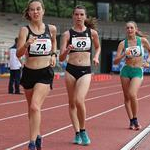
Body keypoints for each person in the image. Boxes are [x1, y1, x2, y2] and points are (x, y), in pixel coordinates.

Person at [16, 0, 57, 149]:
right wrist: (26, 44)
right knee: (31, 109)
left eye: (38, 9)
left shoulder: (51, 28)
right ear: (29, 13)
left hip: (44, 73)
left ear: (43, 11)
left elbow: (54, 43)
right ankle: (38, 134)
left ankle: (32, 143)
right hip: (28, 73)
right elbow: (18, 54)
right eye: (32, 10)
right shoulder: (24, 30)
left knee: (34, 106)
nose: (35, 12)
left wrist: (53, 55)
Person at [59, 5, 101, 146]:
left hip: (85, 70)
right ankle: (76, 132)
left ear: (85, 16)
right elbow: (60, 57)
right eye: (76, 14)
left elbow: (98, 46)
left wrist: (96, 56)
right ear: (73, 16)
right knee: (71, 103)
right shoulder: (67, 34)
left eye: (81, 14)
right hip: (71, 70)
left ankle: (83, 130)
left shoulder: (92, 33)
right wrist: (67, 50)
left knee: (79, 100)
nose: (78, 17)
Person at [114, 21, 150, 130]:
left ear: (135, 29)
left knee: (132, 94)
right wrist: (124, 54)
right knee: (127, 97)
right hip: (125, 71)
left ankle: (135, 119)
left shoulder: (142, 41)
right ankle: (131, 120)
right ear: (126, 30)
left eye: (131, 28)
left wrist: (148, 61)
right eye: (127, 28)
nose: (129, 30)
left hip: (138, 70)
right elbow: (115, 62)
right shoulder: (122, 43)